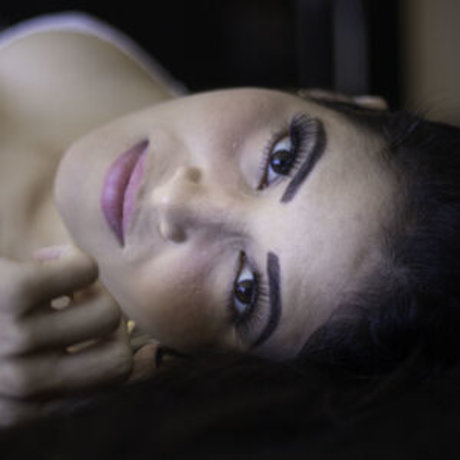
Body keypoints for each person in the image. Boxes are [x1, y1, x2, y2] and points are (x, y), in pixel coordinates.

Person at [0, 12, 459, 429]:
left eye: (245, 289)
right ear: (329, 98)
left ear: (196, 364)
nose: (173, 200)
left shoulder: (29, 401)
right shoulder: (122, 61)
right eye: (281, 159)